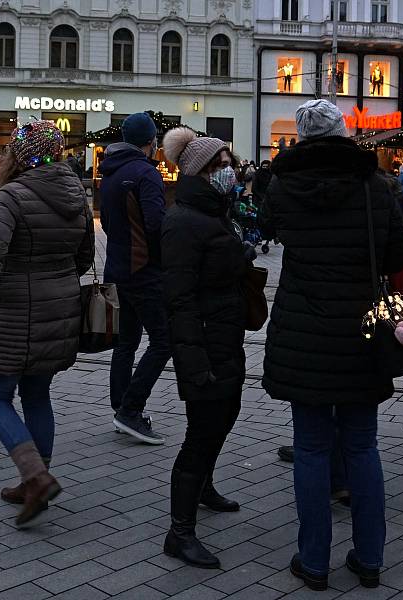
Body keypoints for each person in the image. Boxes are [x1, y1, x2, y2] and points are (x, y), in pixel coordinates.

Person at [259, 99, 403, 590]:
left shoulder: (282, 185)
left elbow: (266, 229)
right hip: (361, 332)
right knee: (363, 446)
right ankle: (369, 558)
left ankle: (314, 561)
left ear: (302, 136)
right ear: (345, 132)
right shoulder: (375, 186)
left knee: (310, 448)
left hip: (303, 329)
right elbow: (398, 255)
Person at [0, 120, 95, 528]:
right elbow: (85, 254)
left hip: (14, 311)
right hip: (59, 308)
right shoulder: (76, 192)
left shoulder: (13, 195)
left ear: (19, 155)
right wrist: (59, 277)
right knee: (37, 394)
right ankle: (33, 481)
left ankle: (36, 478)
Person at [160, 127, 250, 569]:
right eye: (221, 165)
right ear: (199, 172)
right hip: (204, 344)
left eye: (229, 164)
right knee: (201, 432)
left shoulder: (216, 213)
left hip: (224, 334)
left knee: (223, 418)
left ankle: (206, 486)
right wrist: (192, 362)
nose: (229, 171)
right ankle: (180, 532)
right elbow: (178, 300)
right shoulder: (183, 222)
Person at [99, 112, 170, 444]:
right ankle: (131, 409)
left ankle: (121, 409)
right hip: (142, 270)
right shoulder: (146, 173)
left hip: (116, 266)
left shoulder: (109, 171)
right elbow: (156, 225)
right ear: (151, 141)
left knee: (125, 342)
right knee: (163, 340)